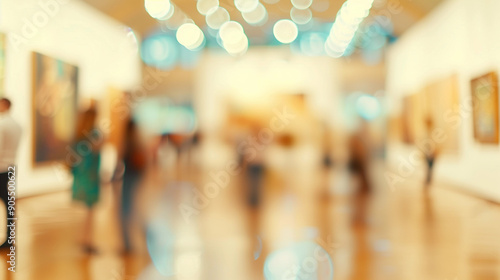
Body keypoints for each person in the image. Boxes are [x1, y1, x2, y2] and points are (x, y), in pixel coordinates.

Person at [71, 107, 101, 253]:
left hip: (80, 175)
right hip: (91, 176)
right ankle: (87, 240)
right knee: (89, 210)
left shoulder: (79, 133)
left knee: (84, 209)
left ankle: (82, 238)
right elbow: (97, 151)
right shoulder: (94, 134)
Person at [0, 98, 22, 248]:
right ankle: (10, 236)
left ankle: (9, 238)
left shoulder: (2, 124)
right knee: (9, 203)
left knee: (7, 202)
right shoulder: (17, 125)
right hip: (11, 167)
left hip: (1, 168)